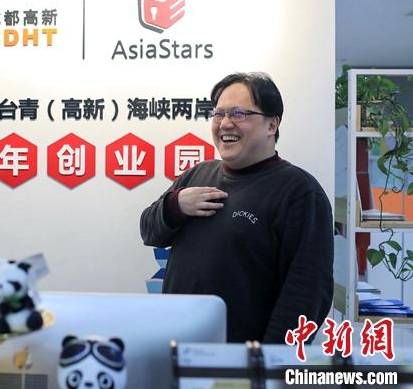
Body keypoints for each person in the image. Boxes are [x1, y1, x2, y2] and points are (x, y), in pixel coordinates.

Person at [140, 72, 333, 343]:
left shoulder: (299, 192)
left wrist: (269, 358)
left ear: (272, 125)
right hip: (178, 344)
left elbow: (308, 290)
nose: (225, 124)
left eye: (239, 114)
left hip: (243, 357)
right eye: (218, 114)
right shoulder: (198, 174)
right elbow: (149, 231)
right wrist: (176, 205)